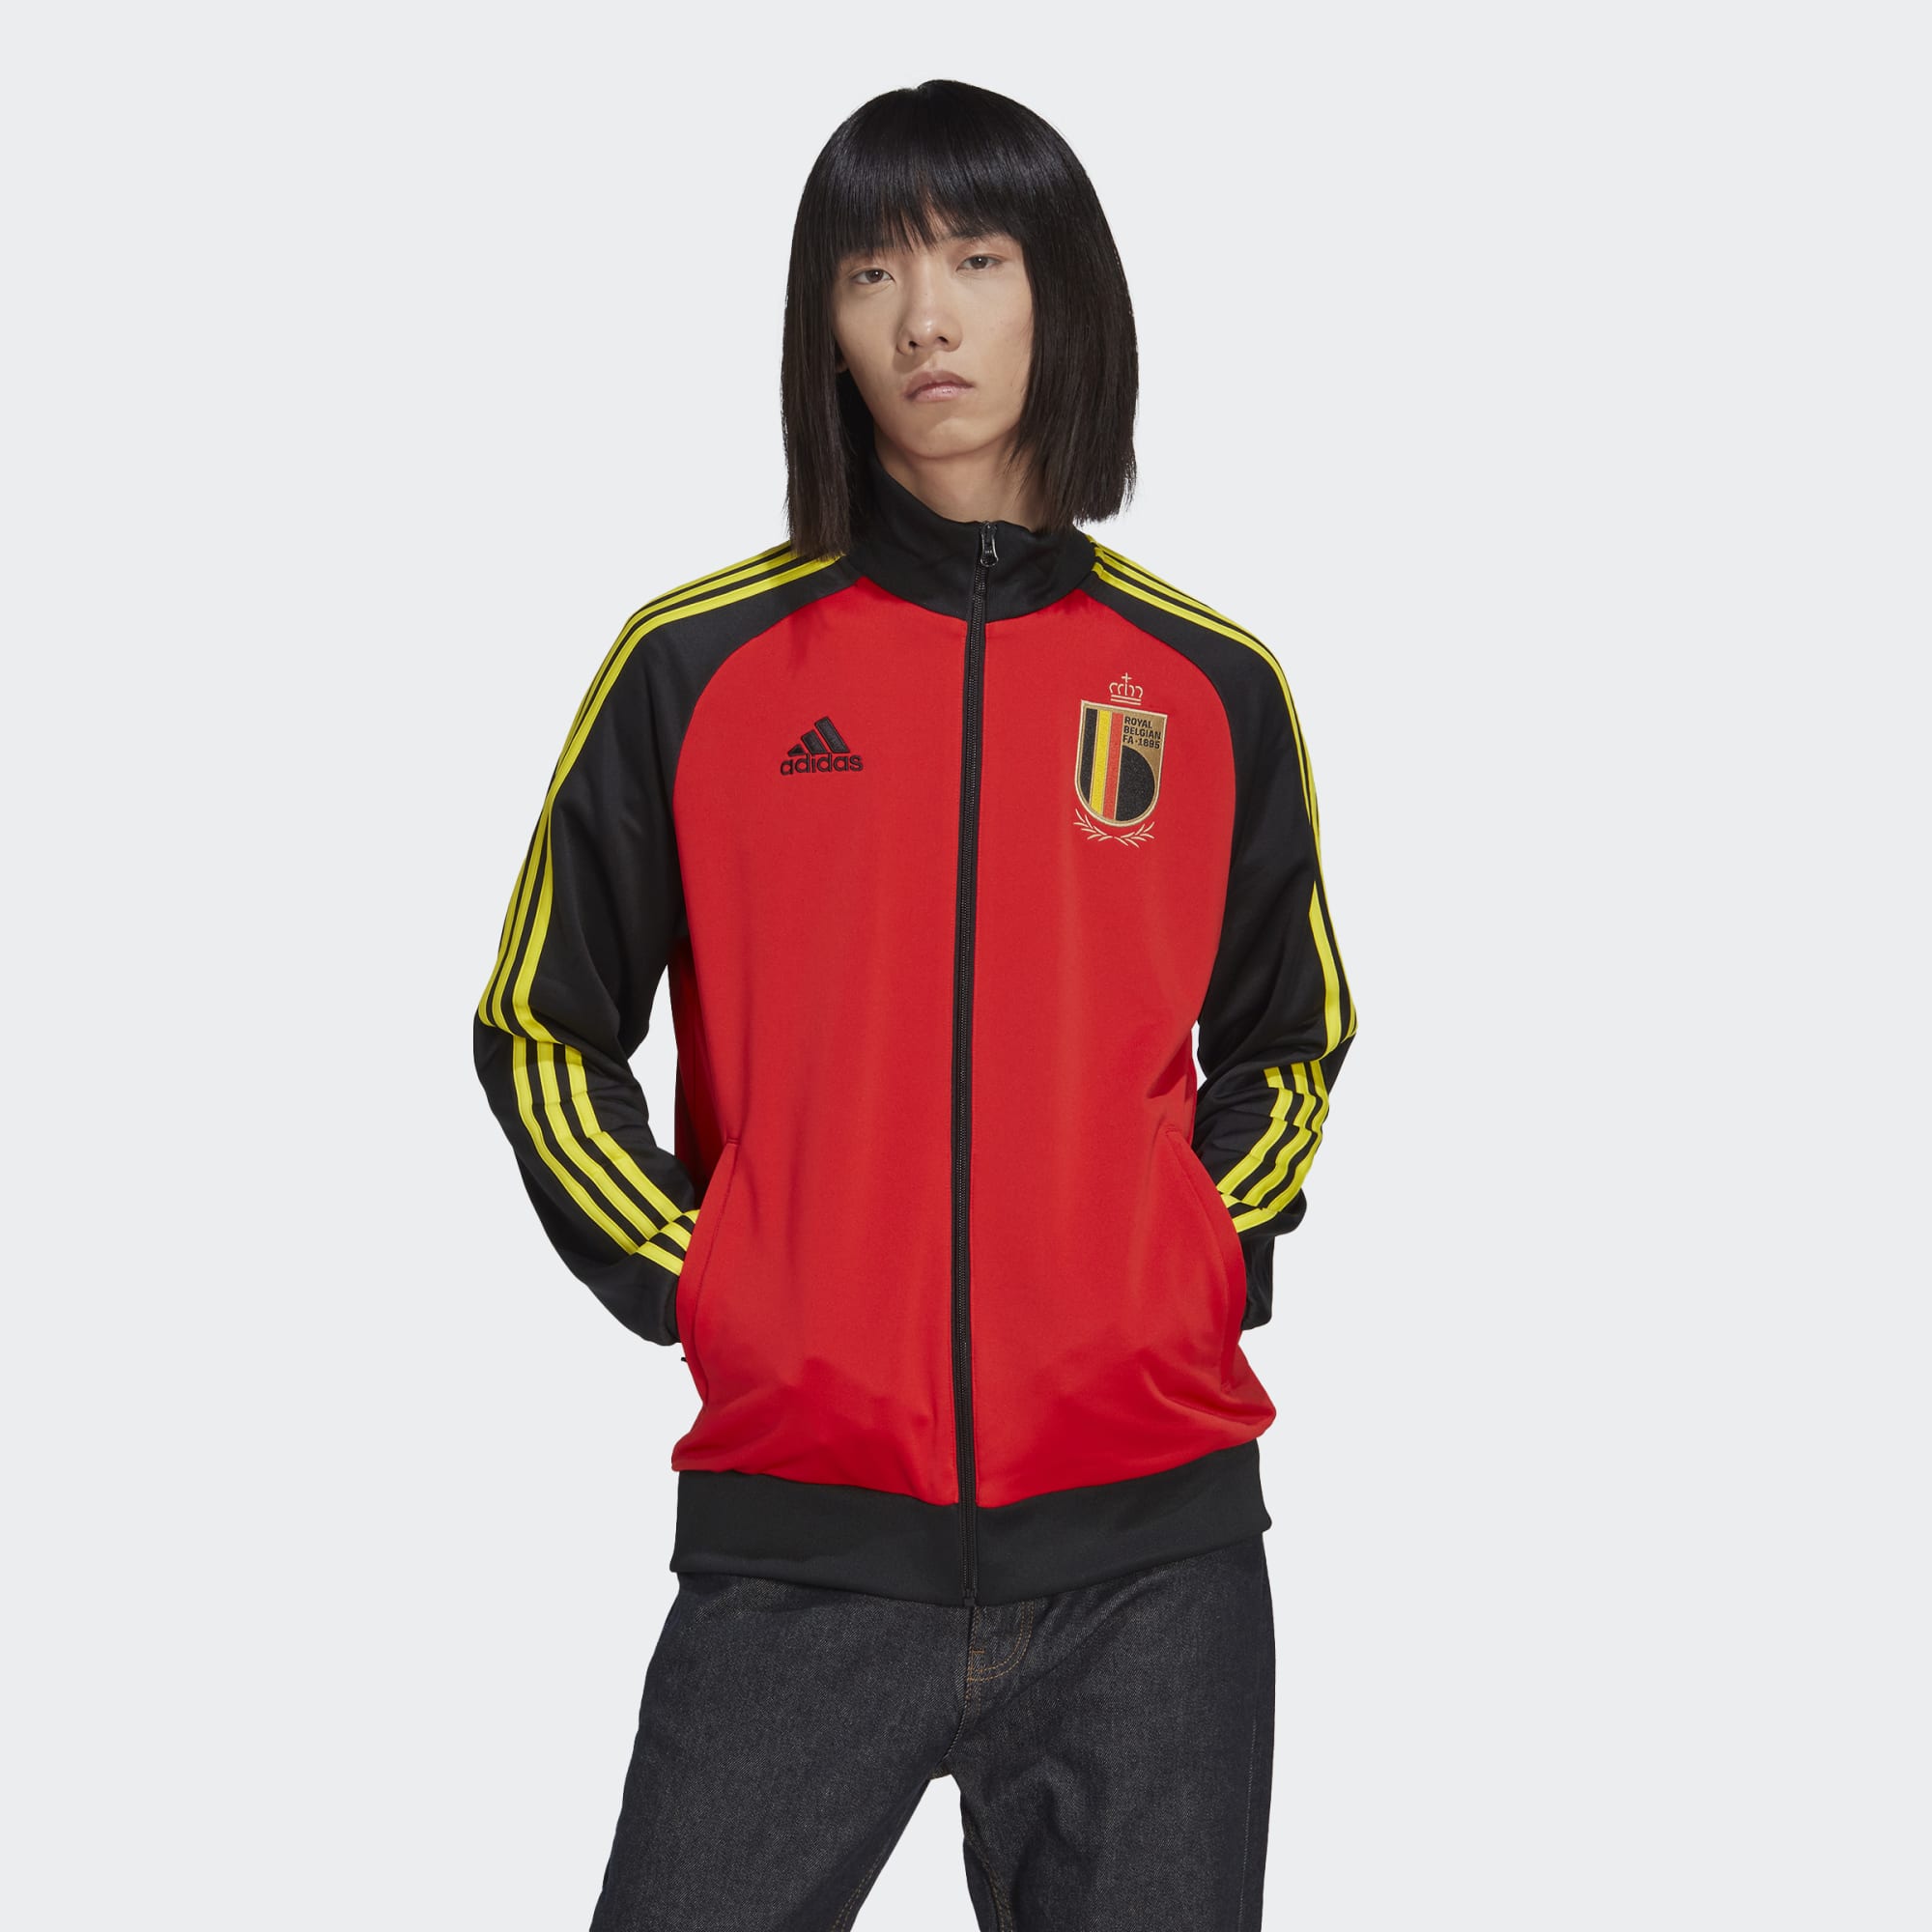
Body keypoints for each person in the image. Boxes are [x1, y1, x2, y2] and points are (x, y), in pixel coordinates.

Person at [472, 76, 1358, 1932]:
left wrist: (1192, 1253)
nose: (926, 319)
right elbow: (541, 1022)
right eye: (871, 272)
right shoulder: (696, 668)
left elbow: (1290, 1035)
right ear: (824, 322)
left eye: (977, 260)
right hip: (802, 1550)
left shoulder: (1207, 685)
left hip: (1155, 1567)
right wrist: (708, 1277)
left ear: (1065, 296)